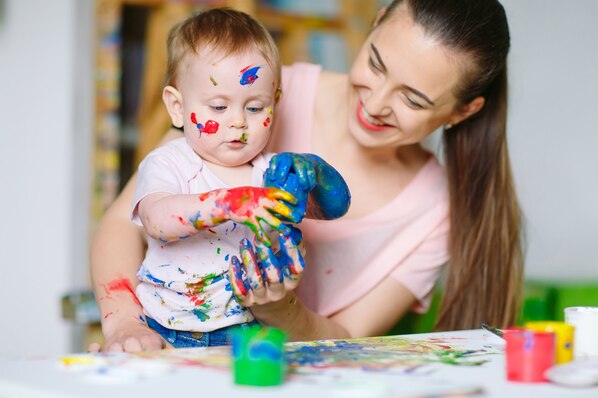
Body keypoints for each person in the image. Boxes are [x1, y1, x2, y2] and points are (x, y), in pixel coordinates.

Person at [90, 0, 524, 352]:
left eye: (413, 99)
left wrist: (279, 307)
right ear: (374, 26)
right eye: (375, 64)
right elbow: (124, 222)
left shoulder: (434, 212)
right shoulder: (251, 92)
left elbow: (349, 340)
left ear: (462, 111)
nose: (376, 104)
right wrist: (125, 325)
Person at [126, 8, 350, 348]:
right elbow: (156, 219)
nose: (238, 122)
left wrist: (317, 172)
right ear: (177, 106)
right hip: (164, 329)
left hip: (246, 331)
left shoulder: (271, 174)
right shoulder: (170, 162)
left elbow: (334, 209)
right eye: (218, 107)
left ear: (275, 104)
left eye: (255, 108)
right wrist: (228, 203)